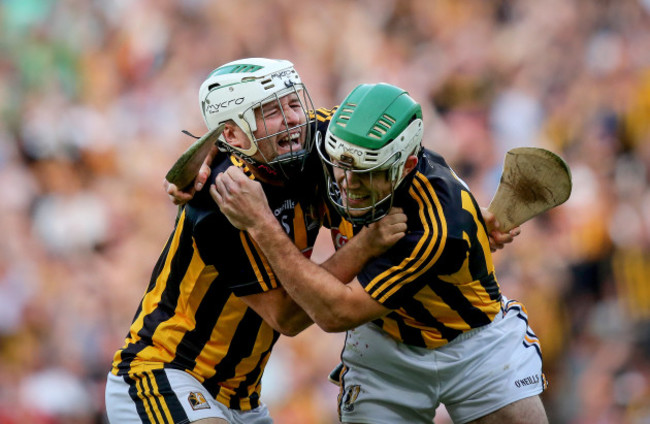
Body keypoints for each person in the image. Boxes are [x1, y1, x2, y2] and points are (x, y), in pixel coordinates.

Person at [210, 82, 547, 423]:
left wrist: (262, 224)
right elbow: (253, 138)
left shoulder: (437, 225)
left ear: (407, 164)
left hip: (472, 344)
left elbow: (335, 313)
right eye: (340, 165)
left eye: (367, 173)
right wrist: (202, 165)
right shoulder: (331, 136)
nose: (347, 183)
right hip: (385, 344)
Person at [105, 58, 405, 423]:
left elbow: (400, 139)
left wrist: (467, 210)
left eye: (294, 103)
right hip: (165, 374)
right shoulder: (224, 196)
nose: (293, 119)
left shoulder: (313, 141)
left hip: (243, 397)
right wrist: (365, 247)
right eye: (271, 112)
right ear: (232, 135)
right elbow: (288, 316)